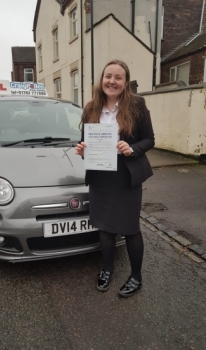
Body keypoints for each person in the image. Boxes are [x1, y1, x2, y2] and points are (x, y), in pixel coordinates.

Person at [75, 59, 155, 298]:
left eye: (118, 77)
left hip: (126, 178)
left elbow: (150, 140)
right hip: (101, 177)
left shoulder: (137, 105)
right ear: (102, 80)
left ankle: (136, 276)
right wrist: (82, 151)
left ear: (125, 83)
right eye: (108, 76)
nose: (112, 81)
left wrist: (132, 149)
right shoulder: (91, 108)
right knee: (105, 229)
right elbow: (85, 143)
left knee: (130, 229)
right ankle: (107, 270)